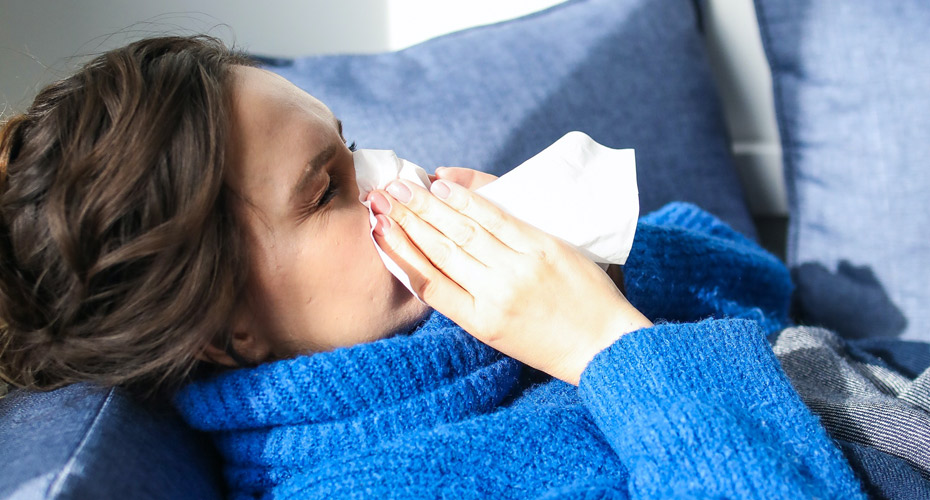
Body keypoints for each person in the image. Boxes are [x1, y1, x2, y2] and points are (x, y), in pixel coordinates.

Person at [0, 35, 866, 498]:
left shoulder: (467, 321)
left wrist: (597, 254)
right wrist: (605, 347)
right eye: (326, 189)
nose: (392, 174)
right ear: (224, 329)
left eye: (349, 144)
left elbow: (764, 290)